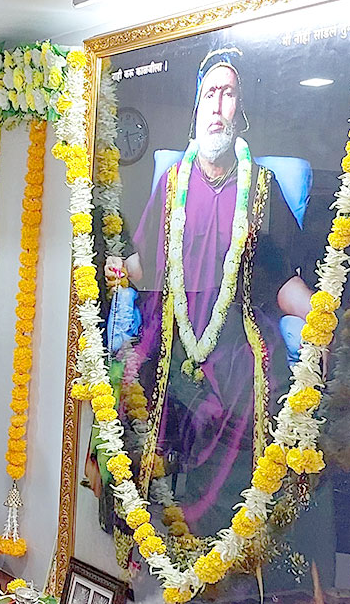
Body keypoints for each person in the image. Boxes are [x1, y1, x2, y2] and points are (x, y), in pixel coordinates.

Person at [109, 48, 313, 538]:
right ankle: (149, 548)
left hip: (237, 345)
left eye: (228, 95)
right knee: (130, 385)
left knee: (241, 402)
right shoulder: (173, 183)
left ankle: (221, 562)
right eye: (209, 95)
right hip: (174, 334)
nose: (218, 106)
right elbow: (146, 267)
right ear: (197, 110)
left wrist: (326, 317)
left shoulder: (260, 189)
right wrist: (114, 268)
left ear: (240, 113)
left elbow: (281, 281)